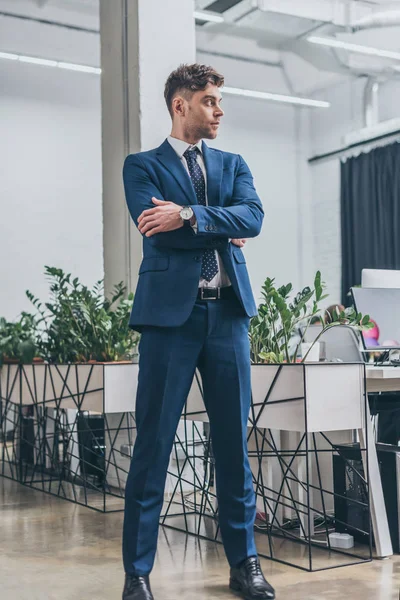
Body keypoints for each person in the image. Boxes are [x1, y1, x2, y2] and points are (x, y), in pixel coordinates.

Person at [121, 63, 275, 600]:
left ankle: (245, 564)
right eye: (210, 100)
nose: (219, 110)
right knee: (153, 446)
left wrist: (188, 214)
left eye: (219, 101)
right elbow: (151, 228)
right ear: (180, 104)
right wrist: (218, 225)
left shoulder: (234, 163)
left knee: (234, 446)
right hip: (169, 321)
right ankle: (137, 572)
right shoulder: (141, 165)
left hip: (228, 316)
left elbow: (252, 218)